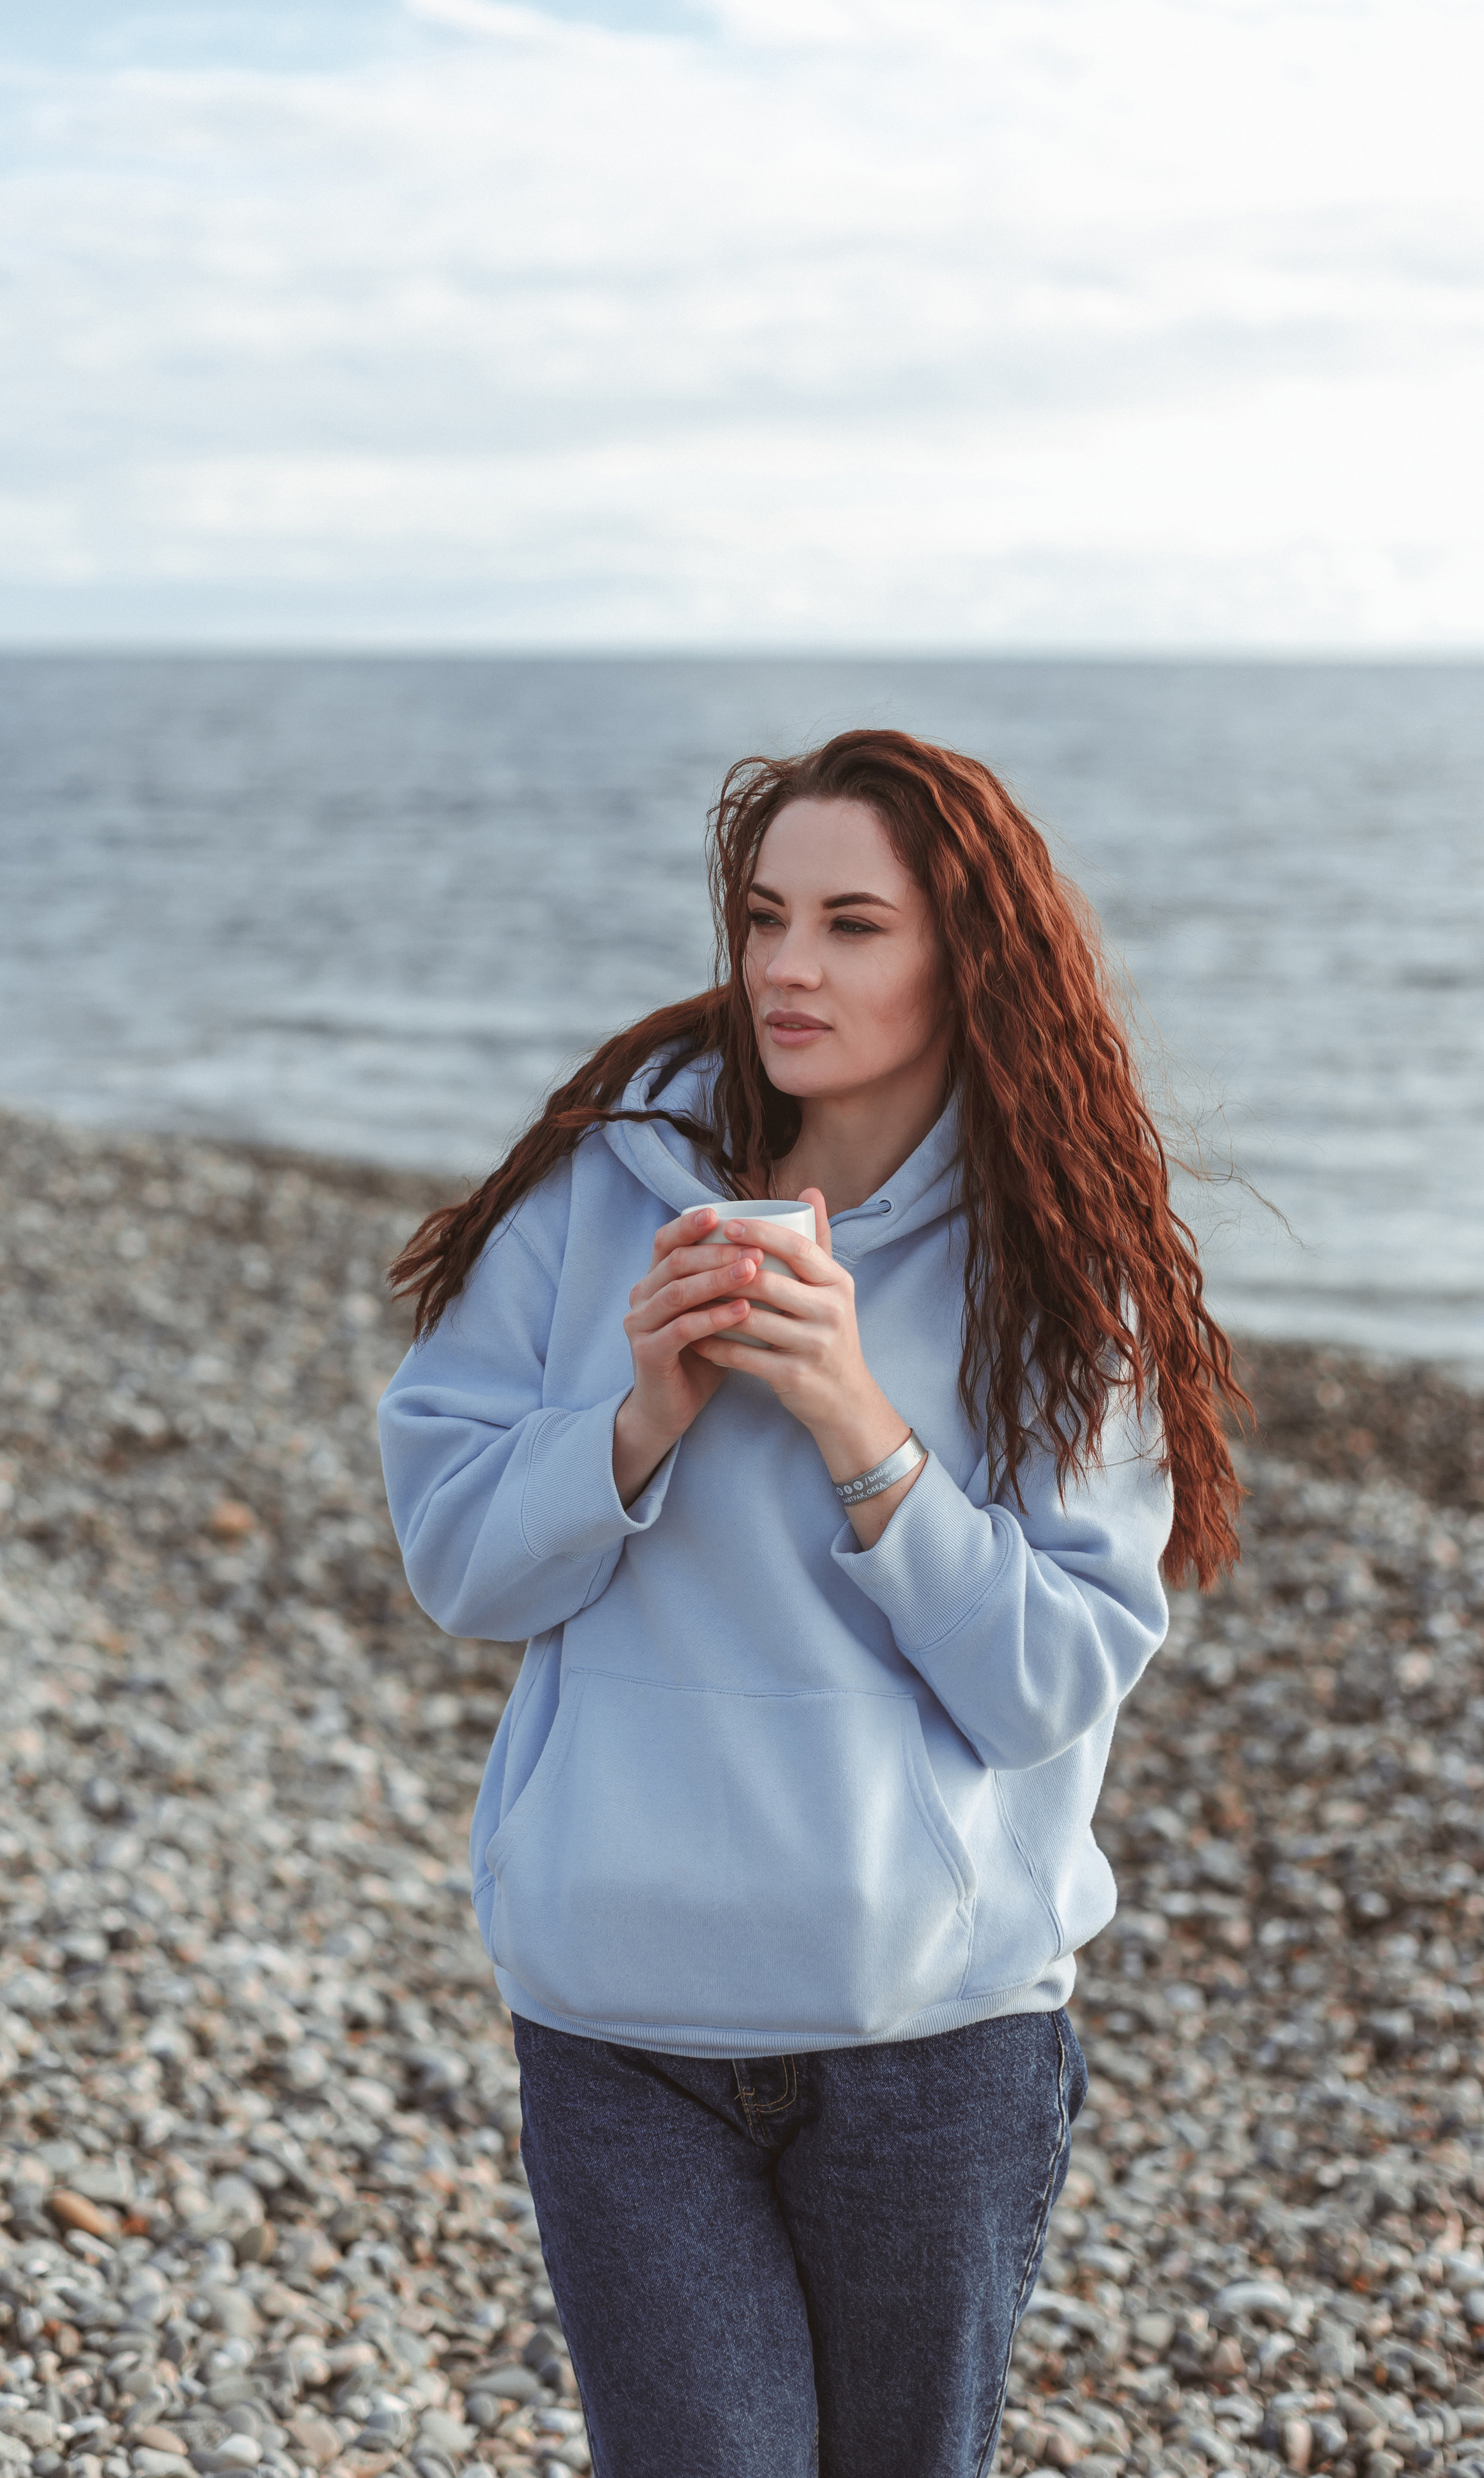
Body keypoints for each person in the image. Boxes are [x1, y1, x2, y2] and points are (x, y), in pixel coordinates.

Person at [379, 729, 1245, 2478]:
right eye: (766, 916)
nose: (786, 965)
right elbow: (461, 1566)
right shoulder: (601, 1187)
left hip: (933, 2036)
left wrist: (861, 1425)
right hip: (622, 2023)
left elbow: (1050, 1680)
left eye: (854, 924)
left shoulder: (1066, 1267)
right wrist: (637, 1423)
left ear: (965, 954)